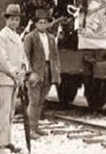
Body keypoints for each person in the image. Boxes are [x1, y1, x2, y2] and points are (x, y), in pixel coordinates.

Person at [0, 4, 29, 154]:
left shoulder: (17, 37)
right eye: (12, 19)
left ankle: (8, 141)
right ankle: (1, 144)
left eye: (17, 19)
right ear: (6, 20)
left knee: (11, 111)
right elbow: (1, 59)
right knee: (5, 110)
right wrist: (14, 72)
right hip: (5, 79)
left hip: (15, 79)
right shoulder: (1, 37)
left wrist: (23, 69)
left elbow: (22, 57)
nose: (15, 22)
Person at [23, 9, 61, 139]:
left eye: (45, 22)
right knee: (33, 101)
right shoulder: (30, 37)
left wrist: (56, 74)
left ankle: (36, 127)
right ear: (35, 23)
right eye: (40, 22)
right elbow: (25, 56)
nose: (43, 25)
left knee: (40, 101)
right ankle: (30, 130)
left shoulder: (51, 38)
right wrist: (29, 72)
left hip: (48, 71)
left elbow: (55, 57)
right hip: (35, 72)